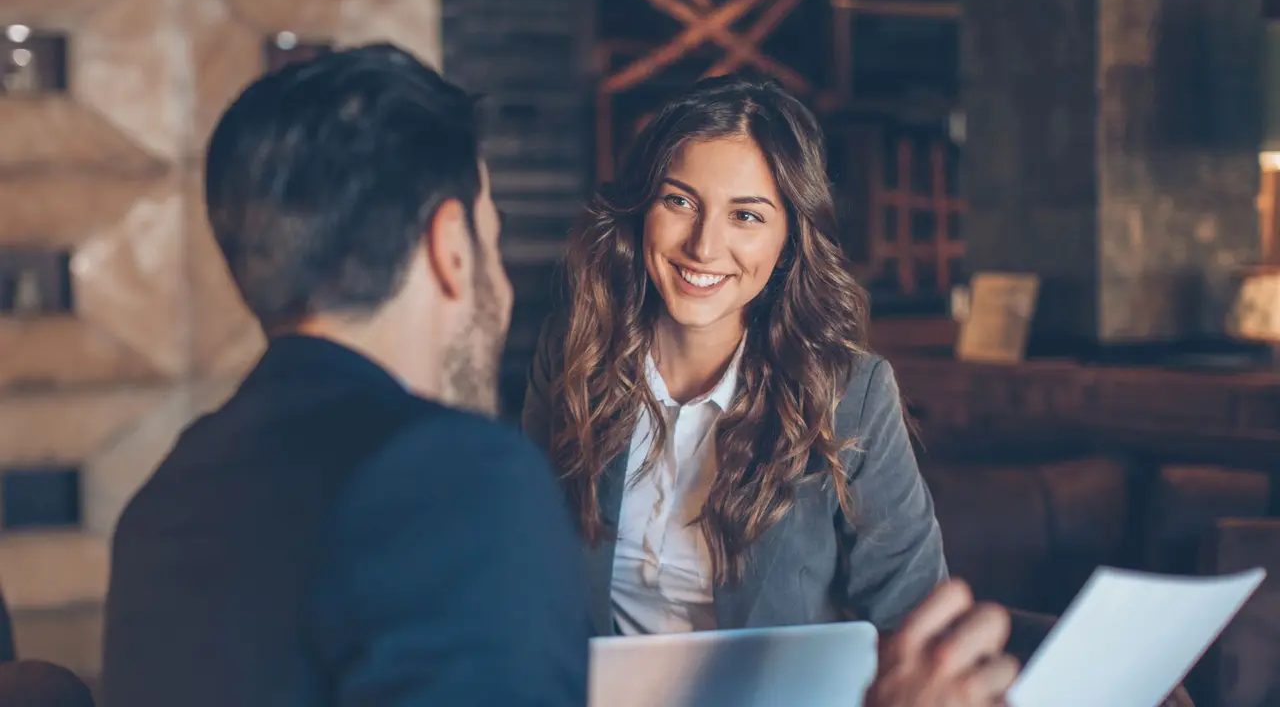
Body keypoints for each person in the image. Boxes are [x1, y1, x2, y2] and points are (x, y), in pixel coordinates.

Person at [101, 44, 591, 707]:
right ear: (450, 248)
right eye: (490, 240)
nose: (498, 286)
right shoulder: (456, 476)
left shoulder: (160, 505)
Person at [523, 73, 947, 637]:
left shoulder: (850, 393)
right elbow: (521, 568)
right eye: (679, 201)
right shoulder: (573, 356)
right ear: (641, 209)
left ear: (789, 240)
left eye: (745, 216)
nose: (702, 245)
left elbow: (918, 622)